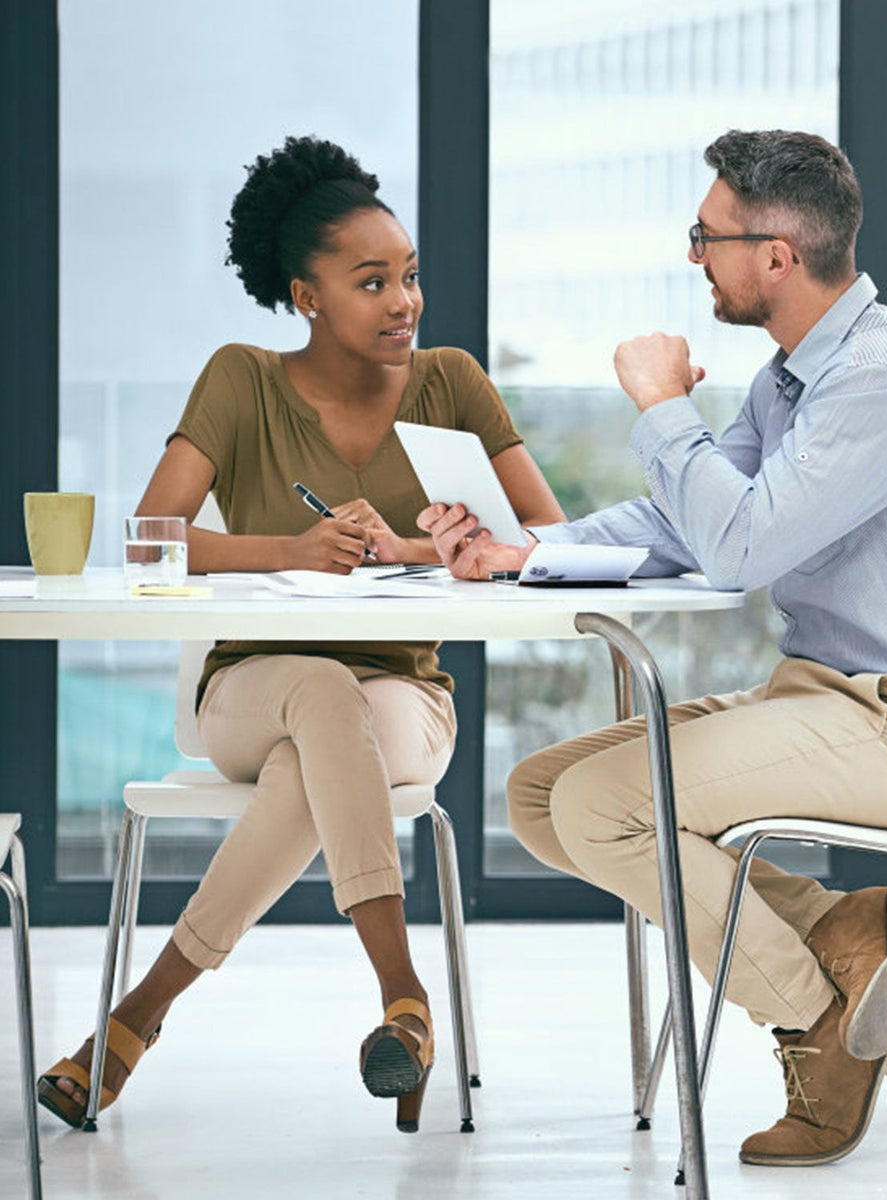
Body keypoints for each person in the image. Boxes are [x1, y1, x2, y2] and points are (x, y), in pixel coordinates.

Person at [418, 129, 887, 1166]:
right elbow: (680, 522)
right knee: (541, 797)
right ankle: (838, 933)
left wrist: (661, 406)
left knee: (607, 807)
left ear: (776, 256)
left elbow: (740, 548)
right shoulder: (794, 380)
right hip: (826, 701)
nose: (695, 256)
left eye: (708, 235)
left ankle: (814, 1018)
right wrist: (527, 551)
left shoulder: (886, 381)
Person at [37, 135, 565, 1134]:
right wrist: (294, 548)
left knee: (328, 738)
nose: (404, 300)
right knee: (320, 694)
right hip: (249, 690)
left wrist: (434, 551)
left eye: (409, 277)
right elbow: (153, 538)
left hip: (407, 702)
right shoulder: (242, 379)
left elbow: (548, 538)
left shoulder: (452, 381)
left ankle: (132, 1024)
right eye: (372, 282)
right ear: (306, 295)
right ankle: (403, 998)